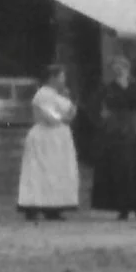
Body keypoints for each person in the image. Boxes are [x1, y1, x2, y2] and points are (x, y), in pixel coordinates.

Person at [16, 63, 79, 221]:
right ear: (53, 78)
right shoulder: (43, 95)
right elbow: (50, 117)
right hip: (46, 137)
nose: (64, 80)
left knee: (56, 171)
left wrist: (68, 109)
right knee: (41, 170)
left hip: (58, 138)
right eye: (62, 76)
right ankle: (34, 205)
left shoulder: (58, 95)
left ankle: (54, 206)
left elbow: (71, 111)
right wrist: (64, 117)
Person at [89, 55, 136, 220]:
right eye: (115, 68)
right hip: (116, 128)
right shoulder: (109, 87)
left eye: (120, 67)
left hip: (134, 126)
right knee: (120, 167)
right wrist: (102, 116)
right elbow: (96, 104)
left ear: (126, 67)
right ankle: (123, 207)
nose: (117, 70)